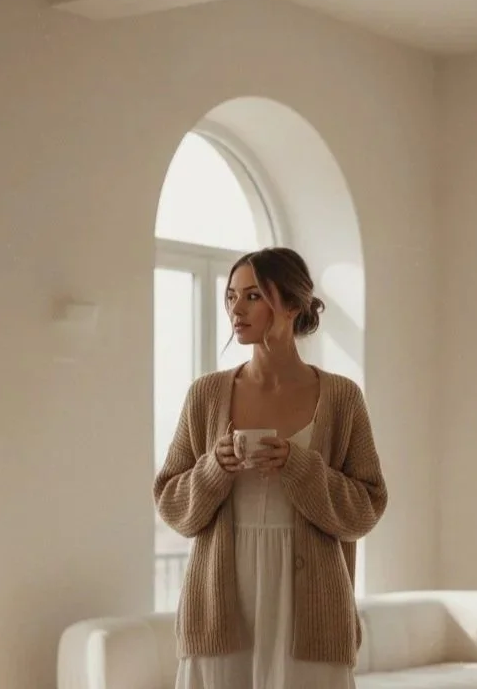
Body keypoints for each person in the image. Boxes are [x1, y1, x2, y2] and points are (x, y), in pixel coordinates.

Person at [153, 247, 388, 689]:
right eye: (230, 296)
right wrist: (212, 470)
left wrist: (299, 467)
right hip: (223, 602)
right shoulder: (205, 395)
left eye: (253, 296)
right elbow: (169, 501)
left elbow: (367, 507)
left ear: (293, 304)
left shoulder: (342, 398)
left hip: (312, 606)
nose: (236, 309)